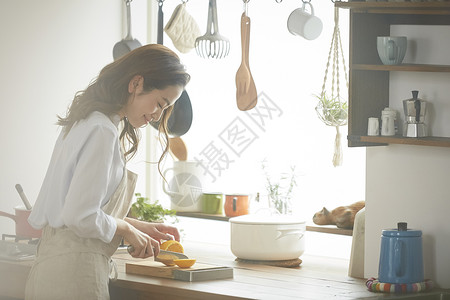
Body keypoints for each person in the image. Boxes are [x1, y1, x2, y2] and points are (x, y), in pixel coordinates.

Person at [25, 44, 190, 299]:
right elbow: (80, 216)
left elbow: (76, 211)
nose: (157, 116)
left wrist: (137, 227)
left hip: (51, 269)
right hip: (74, 275)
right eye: (159, 103)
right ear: (136, 83)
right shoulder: (102, 130)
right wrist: (125, 230)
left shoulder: (85, 120)